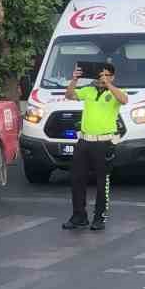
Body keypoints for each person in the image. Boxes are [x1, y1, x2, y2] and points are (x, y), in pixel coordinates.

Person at [61, 61, 127, 231]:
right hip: (84, 141)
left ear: (112, 76)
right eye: (99, 75)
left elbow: (124, 99)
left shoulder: (115, 92)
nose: (101, 78)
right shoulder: (89, 90)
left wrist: (109, 84)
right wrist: (74, 80)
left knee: (101, 181)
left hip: (104, 142)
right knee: (77, 178)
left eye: (105, 75)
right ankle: (79, 216)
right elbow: (69, 95)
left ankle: (100, 217)